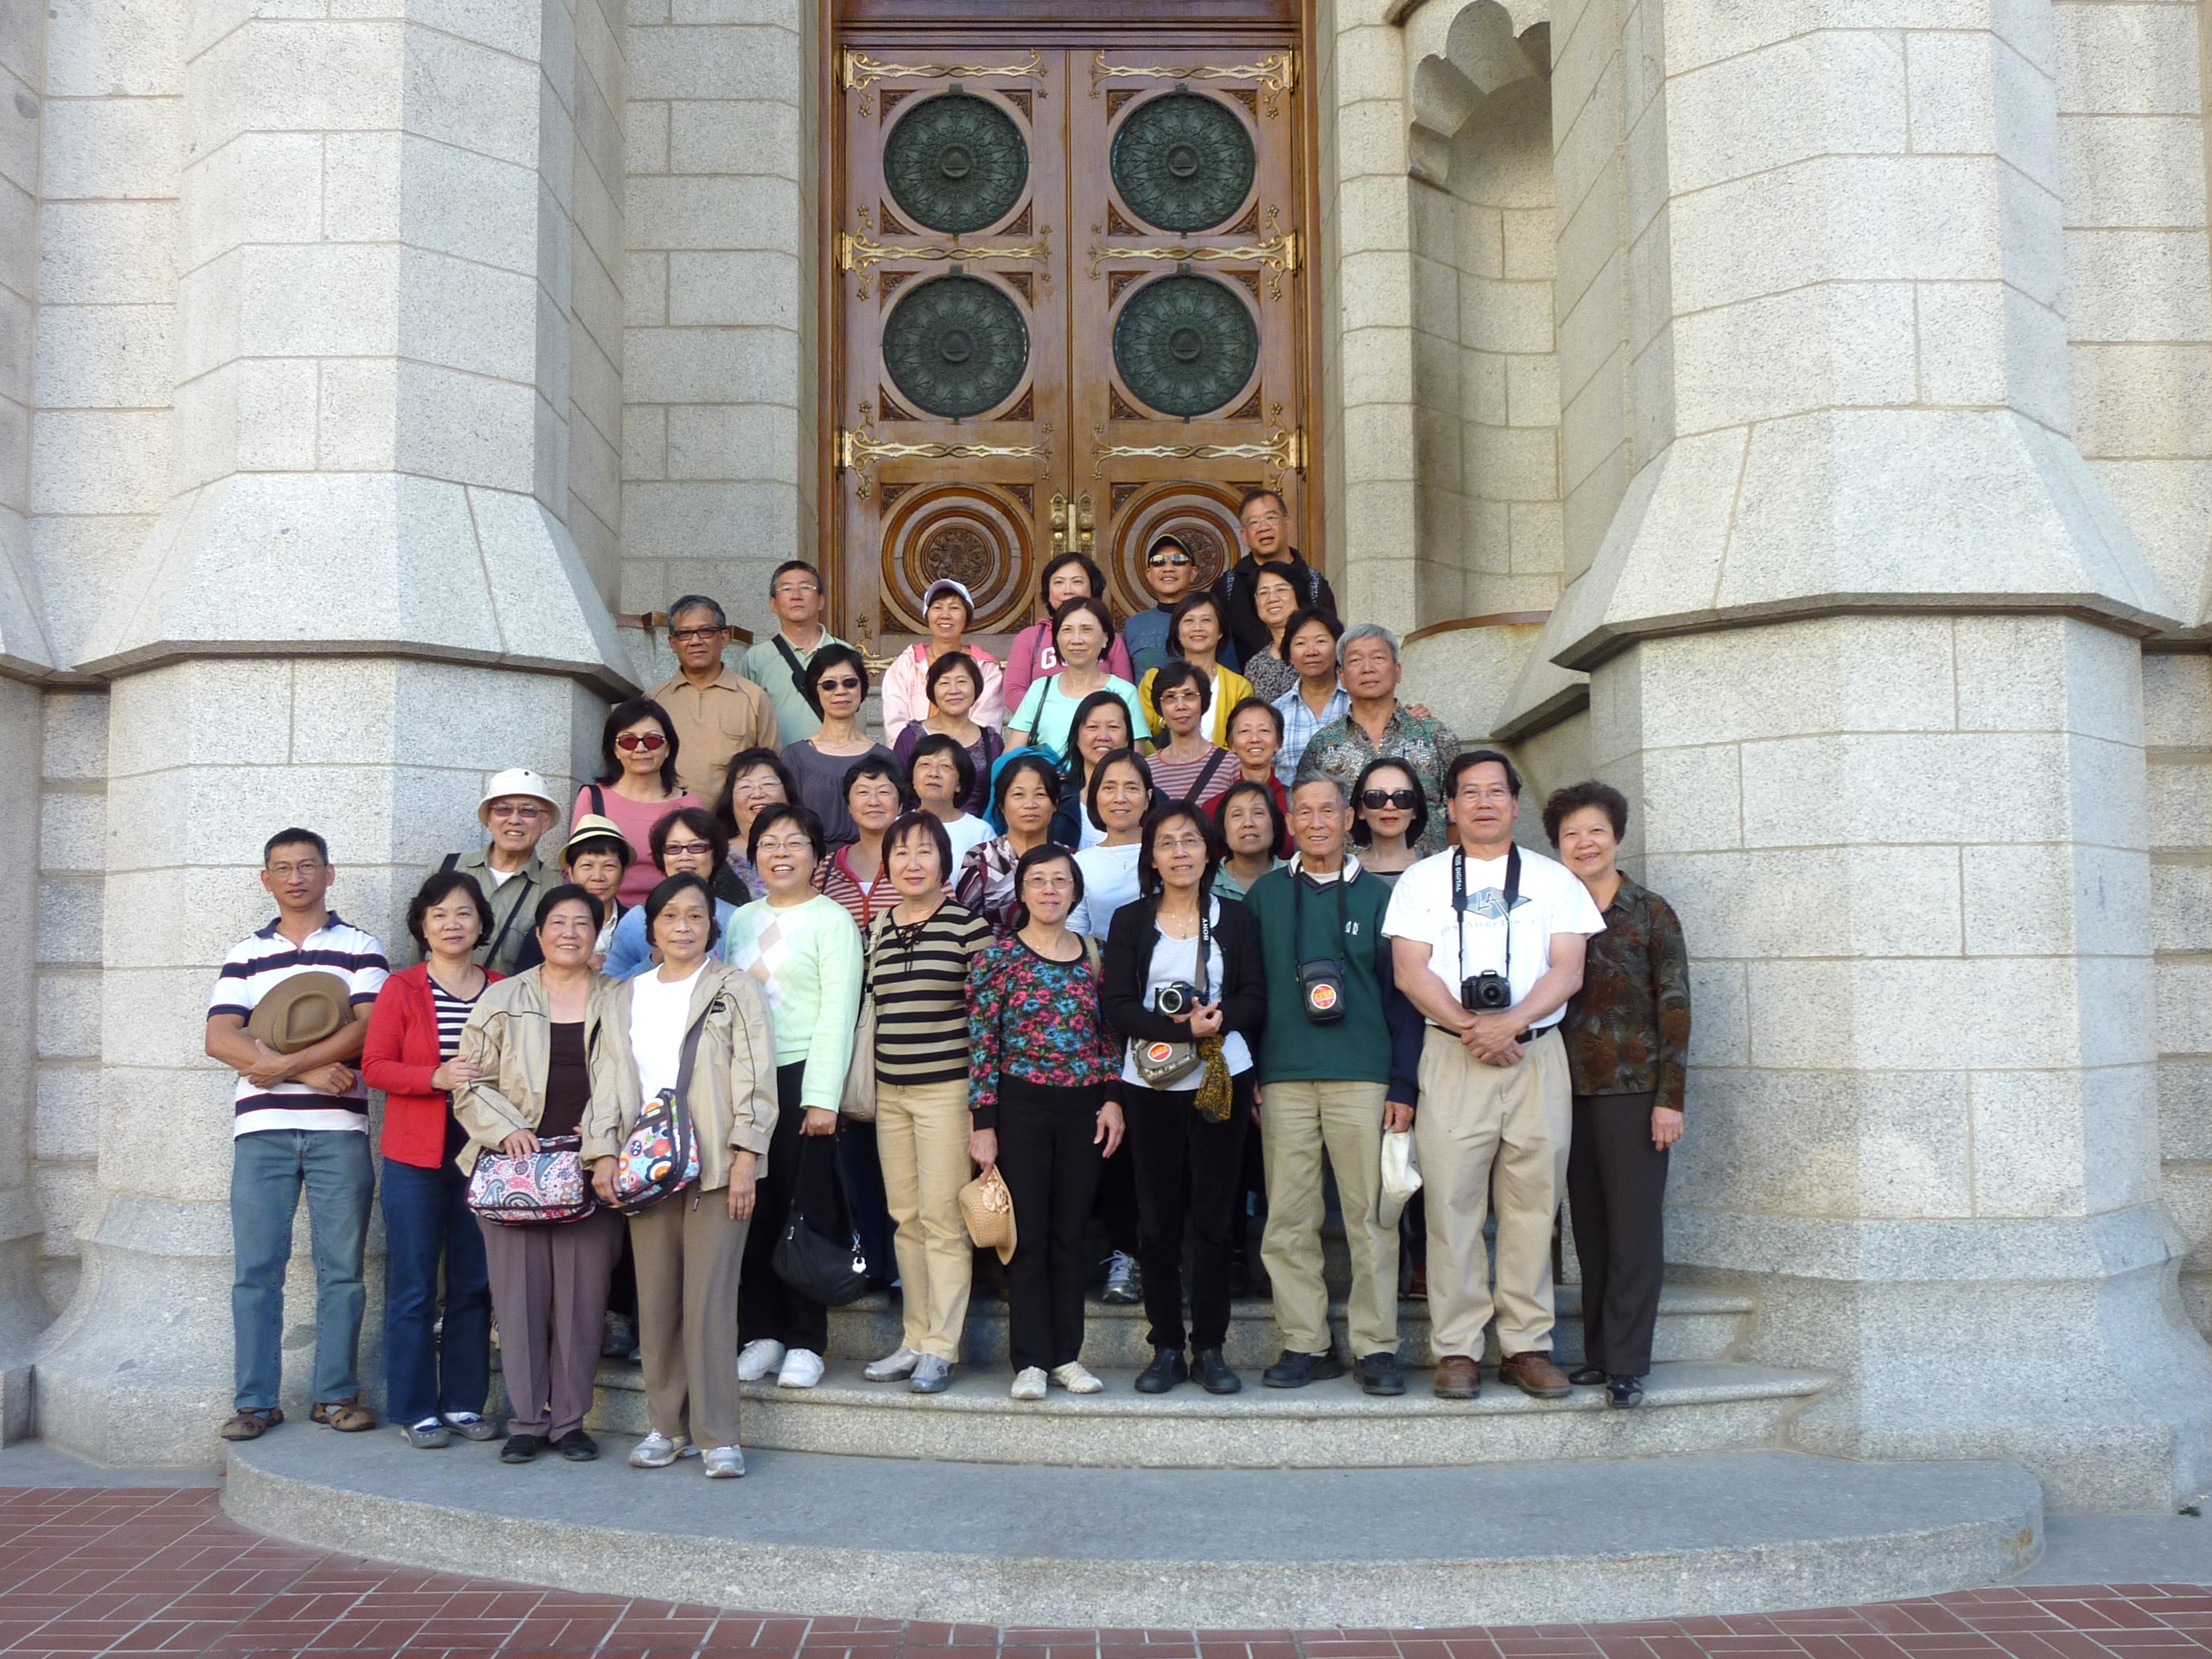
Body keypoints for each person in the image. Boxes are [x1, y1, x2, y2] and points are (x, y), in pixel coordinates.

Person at [1384, 751, 1605, 1401]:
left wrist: (1511, 1024)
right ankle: (1457, 1348)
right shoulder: (1422, 881)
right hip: (1452, 1054)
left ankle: (1526, 1346)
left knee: (1534, 1205)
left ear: (1514, 803)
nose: (1484, 803)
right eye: (1470, 793)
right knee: (1451, 1206)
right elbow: (1410, 971)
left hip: (1535, 1055)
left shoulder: (1555, 879)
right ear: (1450, 807)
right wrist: (1470, 1026)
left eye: (1496, 792)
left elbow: (1568, 968)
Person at [584, 873, 777, 1478]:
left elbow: (756, 1075)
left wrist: (747, 1156)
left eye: (695, 916)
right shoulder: (623, 996)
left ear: (711, 927)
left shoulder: (734, 989)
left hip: (717, 1164)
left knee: (710, 1301)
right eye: (670, 916)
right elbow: (609, 1082)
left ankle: (717, 1434)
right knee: (657, 1300)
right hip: (647, 1167)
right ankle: (666, 1426)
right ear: (652, 928)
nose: (683, 927)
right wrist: (602, 1153)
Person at [209, 829, 389, 1443]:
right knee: (256, 1269)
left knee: (344, 1270)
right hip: (261, 1131)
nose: (296, 877)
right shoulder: (246, 953)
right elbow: (219, 1038)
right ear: (267, 879)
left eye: (308, 866)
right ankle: (255, 1402)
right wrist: (307, 1071)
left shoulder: (360, 946)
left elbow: (369, 1028)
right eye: (283, 868)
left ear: (328, 873)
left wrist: (283, 1064)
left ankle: (335, 1395)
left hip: (340, 1129)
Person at [1246, 777, 1424, 1396]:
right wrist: (1252, 1071)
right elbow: (1249, 992)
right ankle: (1306, 1342)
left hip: (1364, 1076)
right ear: (1291, 822)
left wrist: (1404, 1083)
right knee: (1288, 1219)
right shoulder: (1265, 896)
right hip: (1284, 1078)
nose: (1317, 821)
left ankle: (1376, 1347)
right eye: (1305, 811)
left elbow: (1404, 1000)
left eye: (1329, 810)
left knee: (1370, 1218)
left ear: (1350, 819)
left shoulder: (1381, 898)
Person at [453, 885, 629, 1463]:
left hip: (589, 1168)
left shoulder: (620, 998)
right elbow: (469, 1081)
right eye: (558, 922)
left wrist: (602, 1137)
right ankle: (527, 1421)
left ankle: (570, 1422)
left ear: (599, 933)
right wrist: (504, 1128)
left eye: (583, 923)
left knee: (583, 1301)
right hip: (514, 1171)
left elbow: (630, 1080)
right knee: (518, 1300)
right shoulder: (502, 998)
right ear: (539, 932)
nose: (569, 933)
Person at [1102, 805, 1266, 1396]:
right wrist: (1178, 1031)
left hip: (1223, 1077)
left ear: (1208, 850)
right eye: (1167, 843)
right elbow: (1117, 1007)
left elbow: (1255, 998)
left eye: (1191, 841)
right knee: (1157, 1218)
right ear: (1151, 856)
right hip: (1149, 1084)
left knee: (1216, 1217)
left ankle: (1211, 1347)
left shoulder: (1236, 919)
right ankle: (1167, 1345)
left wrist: (1216, 1022)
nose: (1180, 853)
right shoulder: (1130, 921)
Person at [1546, 780, 1690, 1410]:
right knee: (1591, 1229)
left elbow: (1675, 1006)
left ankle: (1628, 1365)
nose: (1585, 843)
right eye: (1571, 834)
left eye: (1596, 832)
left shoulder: (1651, 912)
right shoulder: (1550, 909)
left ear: (1618, 838)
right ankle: (1600, 1353)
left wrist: (1670, 1098)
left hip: (1634, 1093)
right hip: (1563, 1087)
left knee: (1633, 1229)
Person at [967, 845, 1125, 1400]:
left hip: (1084, 1110)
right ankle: (1031, 1360)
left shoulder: (1095, 956)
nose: (1050, 890)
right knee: (1027, 1237)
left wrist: (1113, 1099)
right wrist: (983, 1123)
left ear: (1075, 891)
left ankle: (1066, 1357)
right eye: (1038, 880)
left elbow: (1110, 1036)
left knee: (1070, 1235)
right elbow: (983, 1045)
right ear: (1021, 891)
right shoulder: (997, 960)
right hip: (1020, 1110)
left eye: (1061, 880)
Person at [721, 803, 863, 1391]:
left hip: (804, 1077)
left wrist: (822, 1097)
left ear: (817, 855)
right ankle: (764, 1334)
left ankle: (807, 1340)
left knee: (805, 1211)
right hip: (746, 1081)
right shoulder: (741, 920)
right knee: (753, 1210)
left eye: (795, 842)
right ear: (754, 855)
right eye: (769, 843)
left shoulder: (833, 921)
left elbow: (838, 1013)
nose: (781, 853)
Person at [361, 870, 501, 1448]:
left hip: (483, 1150)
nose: (452, 924)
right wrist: (433, 1077)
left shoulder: (503, 988)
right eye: (439, 914)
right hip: (415, 1152)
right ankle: (414, 1408)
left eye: (464, 912)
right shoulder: (402, 989)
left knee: (474, 1281)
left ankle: (464, 1402)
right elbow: (375, 1066)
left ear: (481, 923)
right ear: (422, 925)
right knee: (414, 1284)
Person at [858, 814, 993, 1393]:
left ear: (945, 862)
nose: (912, 863)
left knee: (942, 1220)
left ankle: (942, 1346)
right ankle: (913, 1339)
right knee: (906, 1219)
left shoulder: (969, 927)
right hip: (890, 1093)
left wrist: (982, 1110)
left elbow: (988, 1023)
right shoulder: (878, 928)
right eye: (901, 853)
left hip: (947, 1093)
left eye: (925, 851)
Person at [1295, 623, 1457, 855]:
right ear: (1342, 677)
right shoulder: (1322, 745)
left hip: (1427, 871)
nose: (1367, 669)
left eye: (1378, 658)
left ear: (1398, 671)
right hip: (1350, 874)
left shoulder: (1436, 736)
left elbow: (1459, 815)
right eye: (1355, 660)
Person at [646, 594, 780, 805]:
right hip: (669, 819)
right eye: (685, 634)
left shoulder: (754, 698)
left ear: (724, 638)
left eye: (706, 631)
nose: (695, 641)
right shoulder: (654, 701)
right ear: (673, 643)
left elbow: (772, 771)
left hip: (732, 821)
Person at [576, 699, 704, 910]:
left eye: (652, 740)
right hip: (606, 914)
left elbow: (700, 871)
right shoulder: (593, 798)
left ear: (668, 748)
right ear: (615, 750)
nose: (641, 748)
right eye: (629, 741)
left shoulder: (690, 804)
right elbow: (578, 867)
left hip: (671, 914)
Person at [437, 769, 560, 976]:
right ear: (489, 819)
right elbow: (417, 949)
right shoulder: (447, 868)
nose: (514, 820)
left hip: (510, 997)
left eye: (528, 811)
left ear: (545, 823)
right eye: (503, 810)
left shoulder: (554, 889)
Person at [602, 807, 741, 979]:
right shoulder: (636, 920)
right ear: (662, 857)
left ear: (715, 855)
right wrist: (653, 962)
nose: (685, 856)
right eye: (674, 848)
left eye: (697, 847)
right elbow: (612, 985)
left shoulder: (736, 918)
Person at [1005, 598, 1149, 759]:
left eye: (1086, 630)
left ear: (1105, 639)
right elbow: (1010, 759)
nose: (1076, 640)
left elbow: (1135, 760)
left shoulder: (1124, 692)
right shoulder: (1041, 689)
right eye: (1067, 630)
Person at [784, 644, 896, 850]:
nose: (841, 691)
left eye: (850, 683)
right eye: (829, 685)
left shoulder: (886, 758)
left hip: (874, 862)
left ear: (862, 688)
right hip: (813, 862)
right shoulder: (794, 757)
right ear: (815, 691)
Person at [1000, 552, 1136, 716]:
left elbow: (1124, 693)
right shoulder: (1029, 638)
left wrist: (1089, 722)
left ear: (1093, 588)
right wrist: (1057, 720)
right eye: (1059, 582)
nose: (1068, 590)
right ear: (1048, 591)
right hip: (1046, 725)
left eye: (1077, 582)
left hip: (1098, 726)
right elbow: (1014, 691)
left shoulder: (1108, 638)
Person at [1214, 488, 1336, 662]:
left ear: (1288, 524)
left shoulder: (1314, 582)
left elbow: (1331, 642)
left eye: (1271, 518)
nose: (1263, 528)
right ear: (1245, 536)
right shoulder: (1227, 585)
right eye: (1254, 522)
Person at [881, 578, 1007, 740]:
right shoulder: (906, 665)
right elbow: (896, 725)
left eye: (954, 608)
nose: (945, 615)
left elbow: (986, 724)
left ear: (967, 616)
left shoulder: (985, 667)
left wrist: (955, 754)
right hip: (916, 755)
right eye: (937, 607)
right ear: (927, 615)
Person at [742, 561, 848, 745]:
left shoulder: (845, 653)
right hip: (779, 762)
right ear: (773, 604)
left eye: (806, 588)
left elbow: (857, 719)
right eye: (787, 589)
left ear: (821, 601)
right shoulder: (756, 659)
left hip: (836, 760)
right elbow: (747, 722)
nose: (796, 596)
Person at [957, 754, 1063, 937]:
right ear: (1001, 804)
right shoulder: (980, 859)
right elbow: (965, 928)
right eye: (1018, 795)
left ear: (1055, 803)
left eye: (1040, 794)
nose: (1030, 804)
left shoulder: (1070, 860)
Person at [891, 652, 1002, 817]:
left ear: (976, 687)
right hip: (919, 828)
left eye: (962, 682)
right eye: (944, 683)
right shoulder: (910, 737)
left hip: (977, 830)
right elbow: (897, 792)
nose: (954, 690)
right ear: (932, 690)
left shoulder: (991, 742)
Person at [1137, 592, 1254, 747]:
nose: (1197, 628)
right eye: (1189, 621)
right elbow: (1141, 739)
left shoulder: (1239, 687)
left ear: (1220, 631)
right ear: (1178, 632)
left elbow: (1240, 744)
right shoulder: (1153, 680)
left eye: (1206, 620)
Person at [814, 754, 910, 929]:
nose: (873, 802)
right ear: (849, 806)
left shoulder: (920, 863)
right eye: (863, 792)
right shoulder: (826, 869)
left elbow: (948, 919)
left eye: (884, 792)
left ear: (900, 805)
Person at [1068, 750, 1153, 944]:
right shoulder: (1081, 863)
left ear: (1148, 798)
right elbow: (1075, 934)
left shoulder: (1166, 852)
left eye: (1131, 788)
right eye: (1109, 788)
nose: (1120, 798)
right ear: (1095, 796)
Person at [1142, 660, 1237, 814]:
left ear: (1203, 701)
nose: (1181, 706)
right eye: (1170, 697)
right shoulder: (1148, 769)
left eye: (1189, 695)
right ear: (1160, 707)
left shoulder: (1231, 764)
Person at [1271, 608, 1349, 786]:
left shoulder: (1359, 703)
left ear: (1339, 649)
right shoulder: (1276, 713)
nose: (1311, 651)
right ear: (1289, 655)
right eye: (1301, 643)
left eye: (1321, 641)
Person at [1050, 690, 1136, 850]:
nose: (1103, 736)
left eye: (1113, 727)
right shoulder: (1055, 798)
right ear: (1076, 738)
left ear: (1127, 738)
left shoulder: (1154, 799)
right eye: (1093, 727)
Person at [712, 748, 799, 901]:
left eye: (768, 784)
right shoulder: (716, 855)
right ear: (730, 800)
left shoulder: (807, 848)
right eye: (745, 786)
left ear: (788, 793)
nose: (758, 794)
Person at [907, 732, 995, 868]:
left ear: (960, 783)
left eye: (945, 766)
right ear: (913, 779)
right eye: (925, 764)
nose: (934, 773)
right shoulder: (896, 827)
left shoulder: (981, 832)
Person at [1122, 533, 1199, 680]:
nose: (1168, 568)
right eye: (1158, 561)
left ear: (1193, 572)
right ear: (1149, 575)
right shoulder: (1134, 626)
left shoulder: (1209, 621)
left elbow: (1228, 679)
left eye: (1179, 560)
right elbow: (1125, 684)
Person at [1351, 757, 1428, 887]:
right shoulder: (1346, 872)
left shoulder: (1438, 869)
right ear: (1360, 811)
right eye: (1376, 797)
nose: (1390, 806)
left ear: (1415, 810)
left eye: (1402, 796)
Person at [1212, 779, 1286, 901]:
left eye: (1258, 813)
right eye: (1237, 815)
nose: (1248, 823)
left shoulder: (1297, 878)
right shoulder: (1206, 883)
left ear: (1275, 826)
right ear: (1224, 831)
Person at [1238, 567, 1302, 705]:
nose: (1272, 599)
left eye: (1281, 589)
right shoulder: (1255, 666)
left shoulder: (1322, 649)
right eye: (1263, 593)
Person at [1225, 697, 1289, 826]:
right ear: (1231, 743)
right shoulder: (1215, 807)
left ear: (1279, 742)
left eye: (1264, 730)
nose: (1255, 739)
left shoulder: (1295, 803)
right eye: (1245, 731)